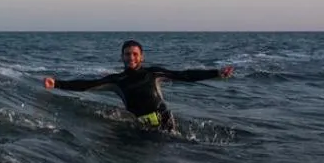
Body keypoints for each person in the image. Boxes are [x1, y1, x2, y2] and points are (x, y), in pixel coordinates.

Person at [43, 40, 235, 131]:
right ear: (122, 57)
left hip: (165, 122)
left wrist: (215, 73)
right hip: (140, 127)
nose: (131, 57)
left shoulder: (153, 74)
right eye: (127, 54)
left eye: (135, 54)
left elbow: (184, 75)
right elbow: (87, 85)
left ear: (141, 56)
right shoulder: (116, 80)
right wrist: (57, 83)